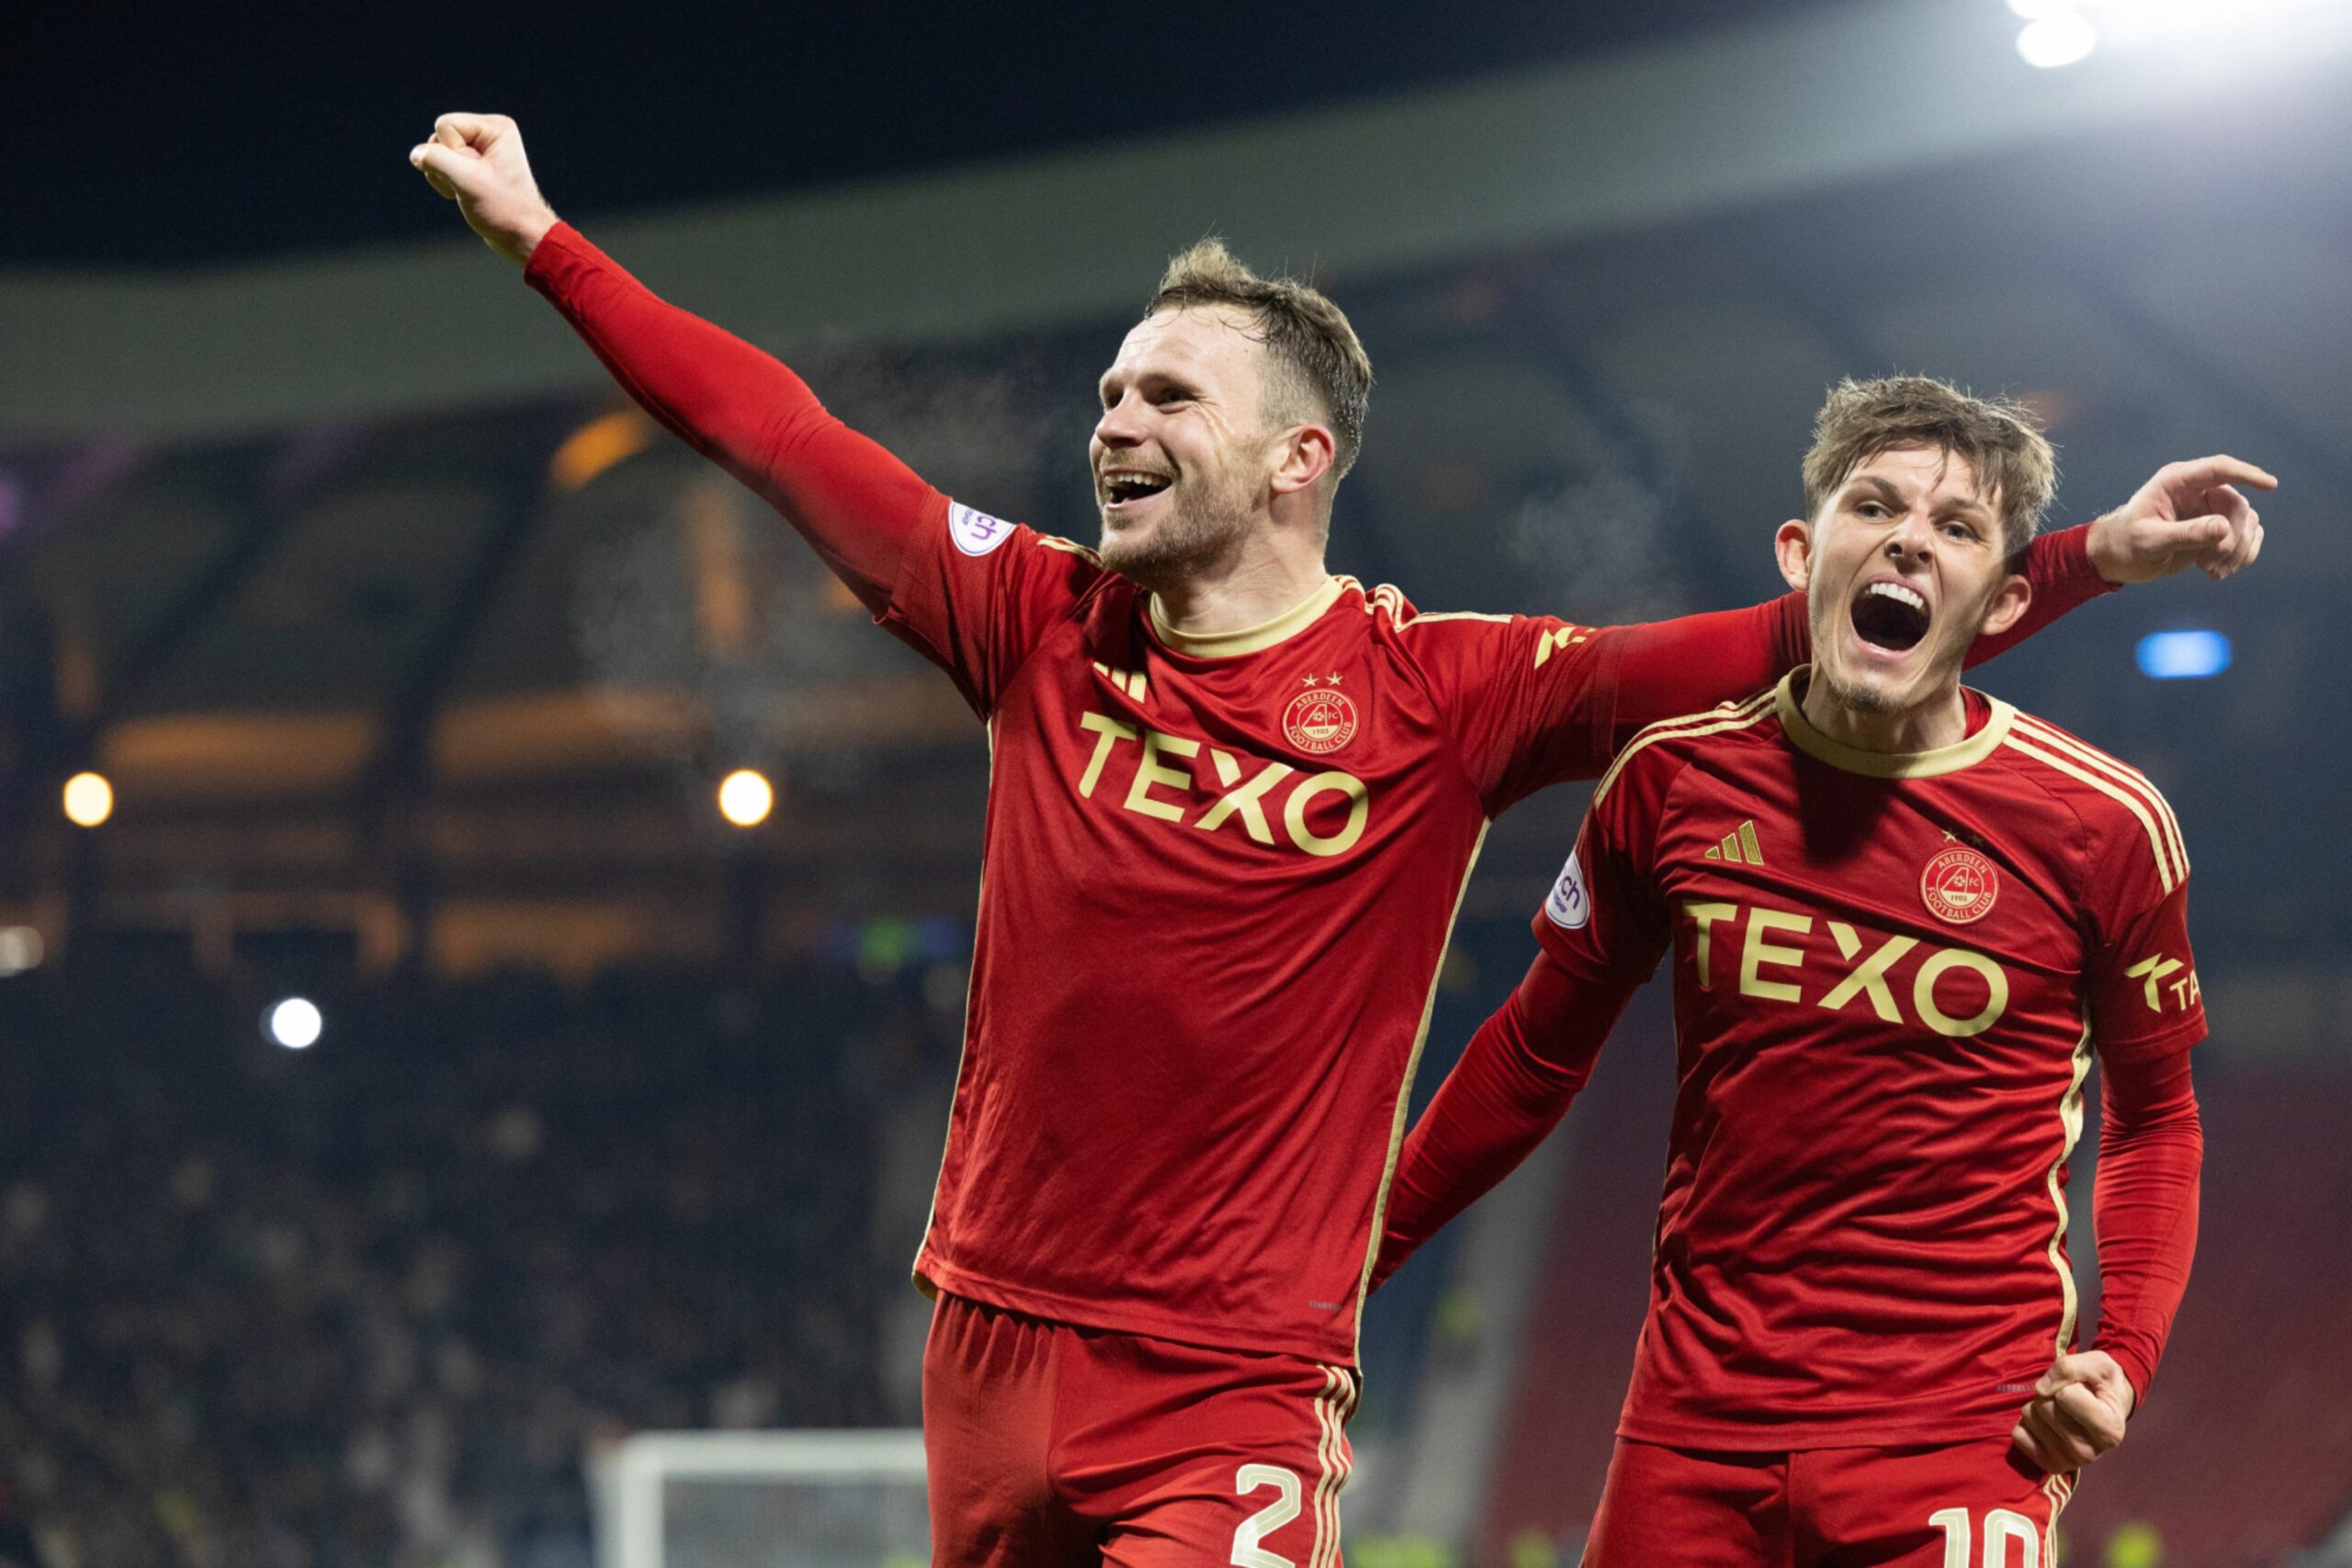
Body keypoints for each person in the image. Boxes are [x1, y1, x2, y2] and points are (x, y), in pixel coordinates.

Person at [408, 117, 2263, 1567]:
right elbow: (780, 436)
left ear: (1296, 457)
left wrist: (2091, 555)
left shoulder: (1447, 693)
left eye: (1164, 395)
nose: (1111, 419)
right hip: (982, 1333)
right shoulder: (1034, 624)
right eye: (1110, 391)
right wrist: (544, 247)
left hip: (1230, 1366)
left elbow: (1828, 627)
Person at [1373, 377, 2251, 1566]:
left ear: (2000, 603)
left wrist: (2125, 1353)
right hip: (1690, 1439)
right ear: (1801, 553)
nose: (1908, 539)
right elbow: (1533, 1057)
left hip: (1962, 1441)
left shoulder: (2102, 824)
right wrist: (1357, 1257)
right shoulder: (1668, 783)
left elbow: (2158, 1118)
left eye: (1955, 528)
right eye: (1874, 505)